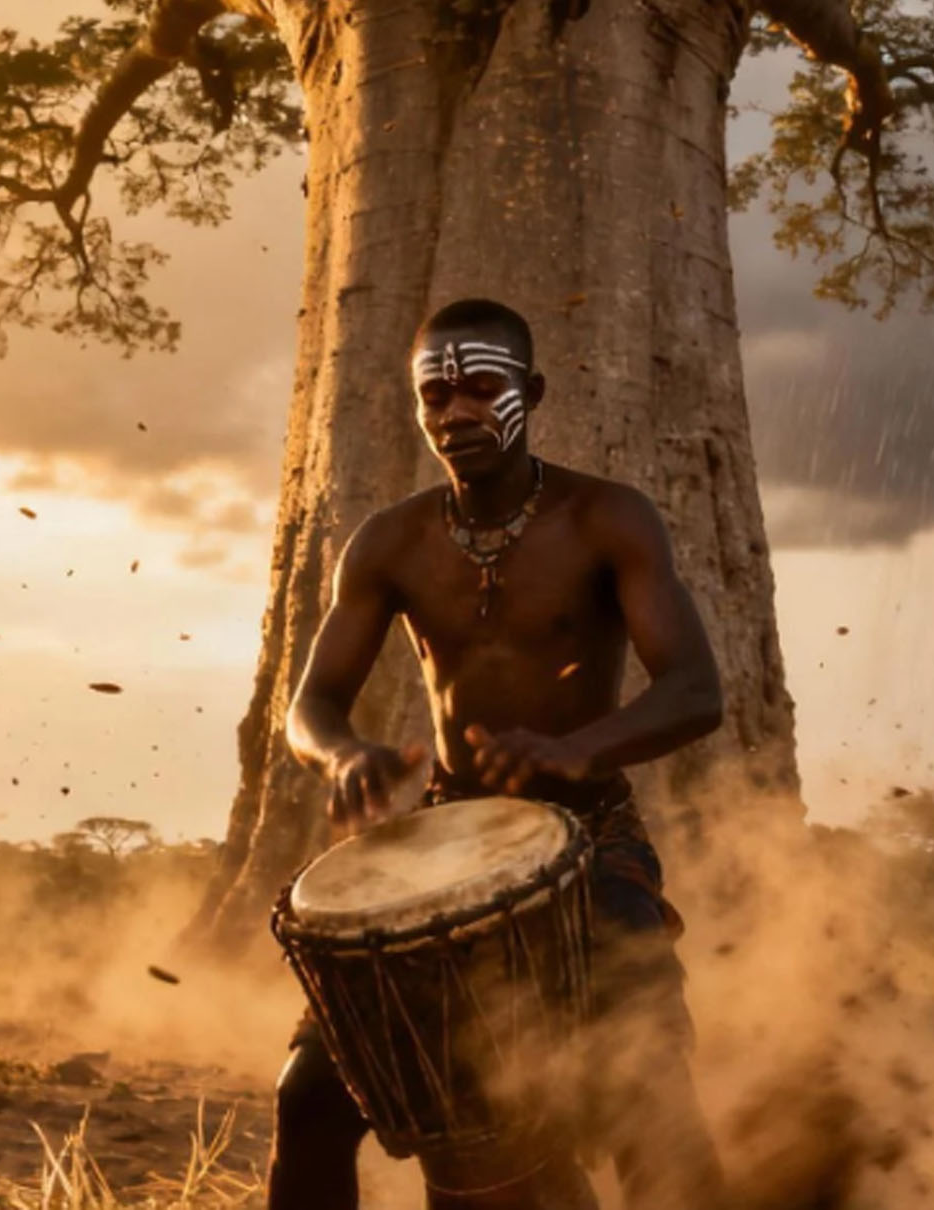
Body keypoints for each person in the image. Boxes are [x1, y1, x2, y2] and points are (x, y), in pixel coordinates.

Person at [266, 299, 733, 1210]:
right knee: (310, 1097)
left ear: (533, 391)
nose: (456, 413)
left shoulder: (609, 519)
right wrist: (343, 755)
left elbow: (694, 691)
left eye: (483, 388)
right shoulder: (389, 542)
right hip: (447, 838)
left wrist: (575, 751)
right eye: (434, 394)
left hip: (589, 839)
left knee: (651, 1097)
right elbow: (310, 706)